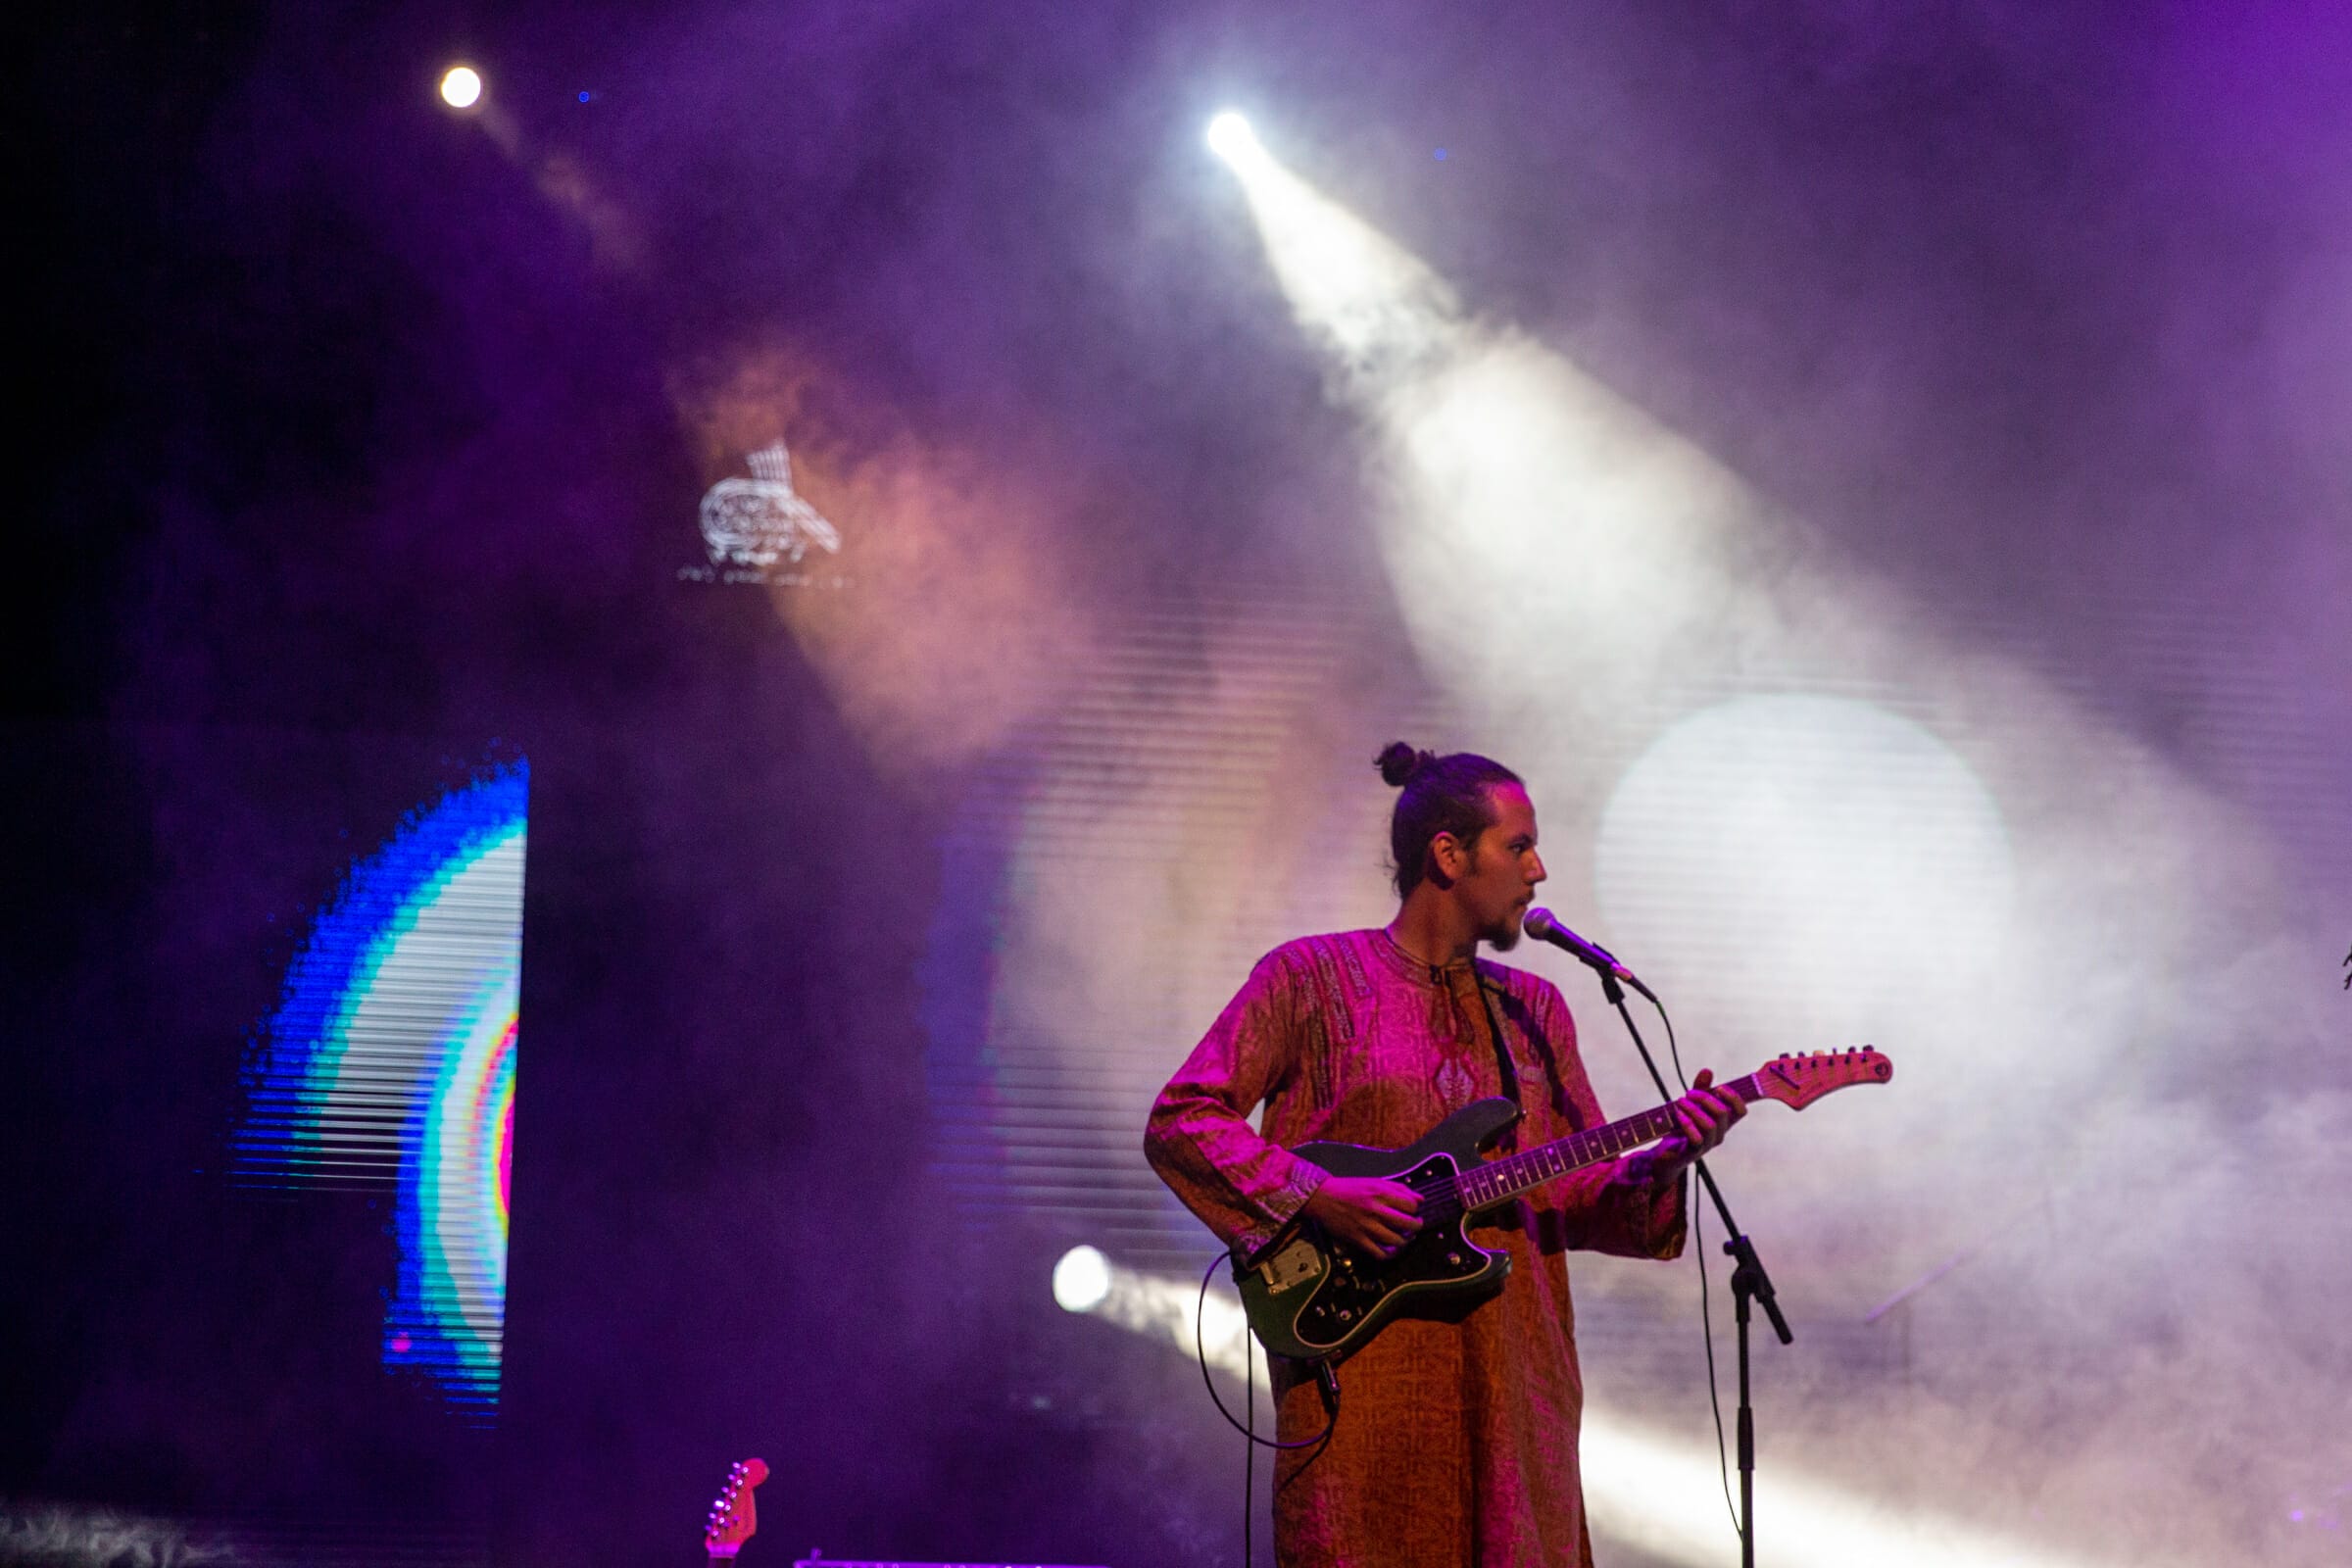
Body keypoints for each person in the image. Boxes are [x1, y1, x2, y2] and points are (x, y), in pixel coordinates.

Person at [1143, 743, 1746, 1567]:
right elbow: (1183, 1119)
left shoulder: (1536, 1010)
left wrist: (1668, 1159)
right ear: (1449, 855)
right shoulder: (1309, 979)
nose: (1539, 870)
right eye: (1519, 846)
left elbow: (1581, 1196)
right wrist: (1316, 1193)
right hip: (1367, 1374)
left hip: (1516, 1384)